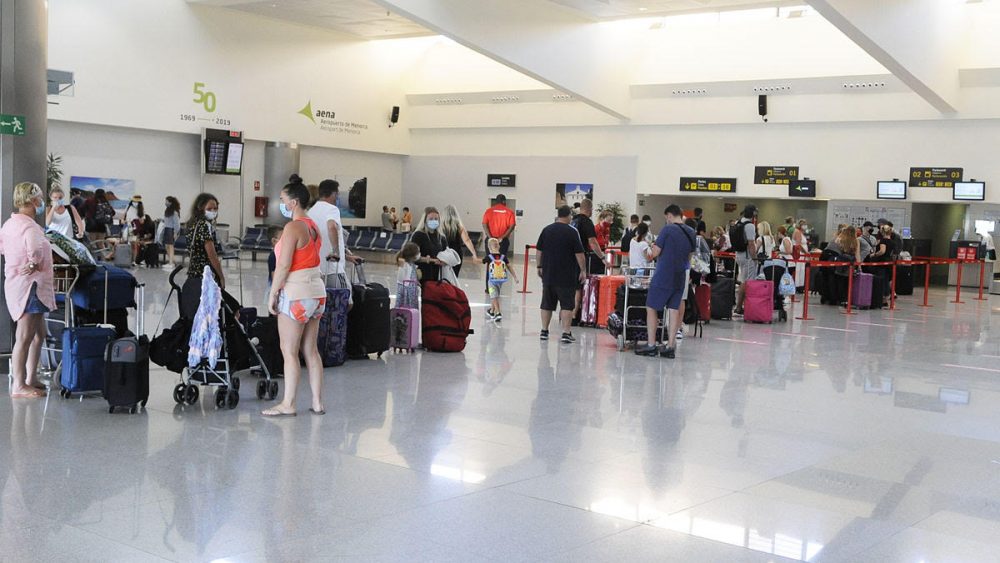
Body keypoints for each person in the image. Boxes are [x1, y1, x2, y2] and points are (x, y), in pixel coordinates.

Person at [262, 180, 326, 417]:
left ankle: (288, 403)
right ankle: (317, 402)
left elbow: (284, 265)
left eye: (282, 199)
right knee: (311, 350)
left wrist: (273, 293)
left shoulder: (293, 228)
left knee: (289, 350)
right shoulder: (313, 226)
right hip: (317, 293)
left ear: (294, 202)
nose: (281, 203)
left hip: (296, 292)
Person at [0, 182, 55, 398]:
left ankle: (31, 377)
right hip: (31, 286)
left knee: (38, 334)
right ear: (33, 201)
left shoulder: (9, 224)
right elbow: (36, 251)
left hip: (18, 283)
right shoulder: (30, 227)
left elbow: (3, 248)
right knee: (24, 336)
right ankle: (19, 385)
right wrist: (32, 263)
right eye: (40, 198)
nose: (42, 202)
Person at [636, 205, 695, 359]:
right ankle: (670, 346)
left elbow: (654, 253)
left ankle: (651, 344)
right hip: (680, 274)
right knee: (674, 308)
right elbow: (690, 256)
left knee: (651, 306)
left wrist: (647, 252)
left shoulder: (667, 230)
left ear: (669, 215)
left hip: (664, 274)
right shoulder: (691, 231)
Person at [536, 206, 586, 344]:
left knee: (546, 303)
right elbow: (579, 254)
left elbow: (539, 250)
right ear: (569, 215)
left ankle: (544, 331)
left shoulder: (547, 230)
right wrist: (583, 270)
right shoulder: (572, 232)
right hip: (567, 275)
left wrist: (539, 266)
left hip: (548, 273)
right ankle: (565, 333)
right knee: (566, 305)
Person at [184, 192, 239, 315]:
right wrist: (221, 276)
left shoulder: (192, 224)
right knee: (233, 309)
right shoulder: (204, 225)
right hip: (205, 275)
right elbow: (212, 255)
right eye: (209, 209)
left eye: (215, 208)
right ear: (200, 208)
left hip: (193, 274)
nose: (213, 211)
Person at [308, 179, 348, 289]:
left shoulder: (311, 212)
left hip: (317, 268)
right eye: (337, 194)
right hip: (333, 268)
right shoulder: (332, 209)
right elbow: (331, 226)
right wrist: (336, 251)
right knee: (345, 300)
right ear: (333, 194)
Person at [481, 194, 517, 283]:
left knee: (490, 262)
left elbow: (484, 224)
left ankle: (488, 287)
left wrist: (490, 237)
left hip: (490, 241)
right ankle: (497, 284)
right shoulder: (509, 212)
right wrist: (502, 237)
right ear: (504, 201)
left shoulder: (489, 211)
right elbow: (512, 226)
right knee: (501, 262)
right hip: (503, 241)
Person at [733, 205, 759, 316]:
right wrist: (755, 258)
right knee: (747, 282)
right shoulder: (750, 226)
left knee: (743, 279)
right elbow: (751, 243)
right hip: (748, 256)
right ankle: (739, 307)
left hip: (738, 254)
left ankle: (739, 306)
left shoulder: (738, 223)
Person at [410, 207, 449, 282]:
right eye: (431, 219)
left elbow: (447, 253)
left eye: (436, 219)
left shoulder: (441, 237)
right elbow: (412, 256)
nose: (434, 221)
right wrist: (431, 260)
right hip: (422, 275)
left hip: (438, 276)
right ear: (425, 220)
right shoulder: (419, 235)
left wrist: (446, 260)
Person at [483, 237, 518, 321]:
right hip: (500, 281)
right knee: (495, 295)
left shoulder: (489, 257)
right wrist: (515, 277)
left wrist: (474, 258)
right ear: (499, 246)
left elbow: (481, 261)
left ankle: (498, 313)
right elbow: (509, 267)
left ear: (489, 248)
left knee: (493, 296)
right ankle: (492, 311)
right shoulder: (503, 257)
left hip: (491, 281)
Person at [440, 204, 478, 277]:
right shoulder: (459, 227)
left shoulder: (440, 226)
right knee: (454, 276)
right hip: (456, 254)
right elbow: (467, 240)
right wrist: (474, 253)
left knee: (443, 276)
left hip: (444, 253)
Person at [162, 196, 181, 267]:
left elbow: (177, 223)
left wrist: (176, 232)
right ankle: (172, 261)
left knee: (170, 246)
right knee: (166, 246)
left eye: (167, 201)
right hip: (166, 229)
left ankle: (171, 263)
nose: (165, 203)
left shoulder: (174, 212)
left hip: (171, 230)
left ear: (170, 202)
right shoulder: (167, 211)